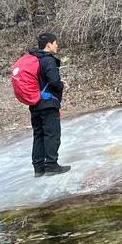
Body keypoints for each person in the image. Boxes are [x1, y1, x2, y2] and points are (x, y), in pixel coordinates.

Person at [29, 32, 71, 176]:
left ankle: (38, 168)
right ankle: (52, 165)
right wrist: (61, 85)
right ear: (49, 45)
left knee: (39, 135)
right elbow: (54, 82)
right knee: (52, 134)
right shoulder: (48, 60)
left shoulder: (34, 59)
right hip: (48, 104)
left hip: (35, 103)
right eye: (55, 43)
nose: (57, 45)